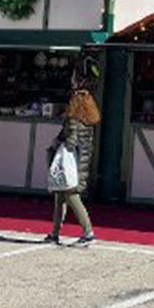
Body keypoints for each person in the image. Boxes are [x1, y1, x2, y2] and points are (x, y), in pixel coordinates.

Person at [44, 88, 100, 246]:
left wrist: (58, 143)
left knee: (70, 196)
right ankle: (54, 234)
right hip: (81, 161)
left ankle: (88, 233)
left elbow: (71, 141)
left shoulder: (73, 119)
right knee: (61, 196)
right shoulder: (89, 120)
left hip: (71, 163)